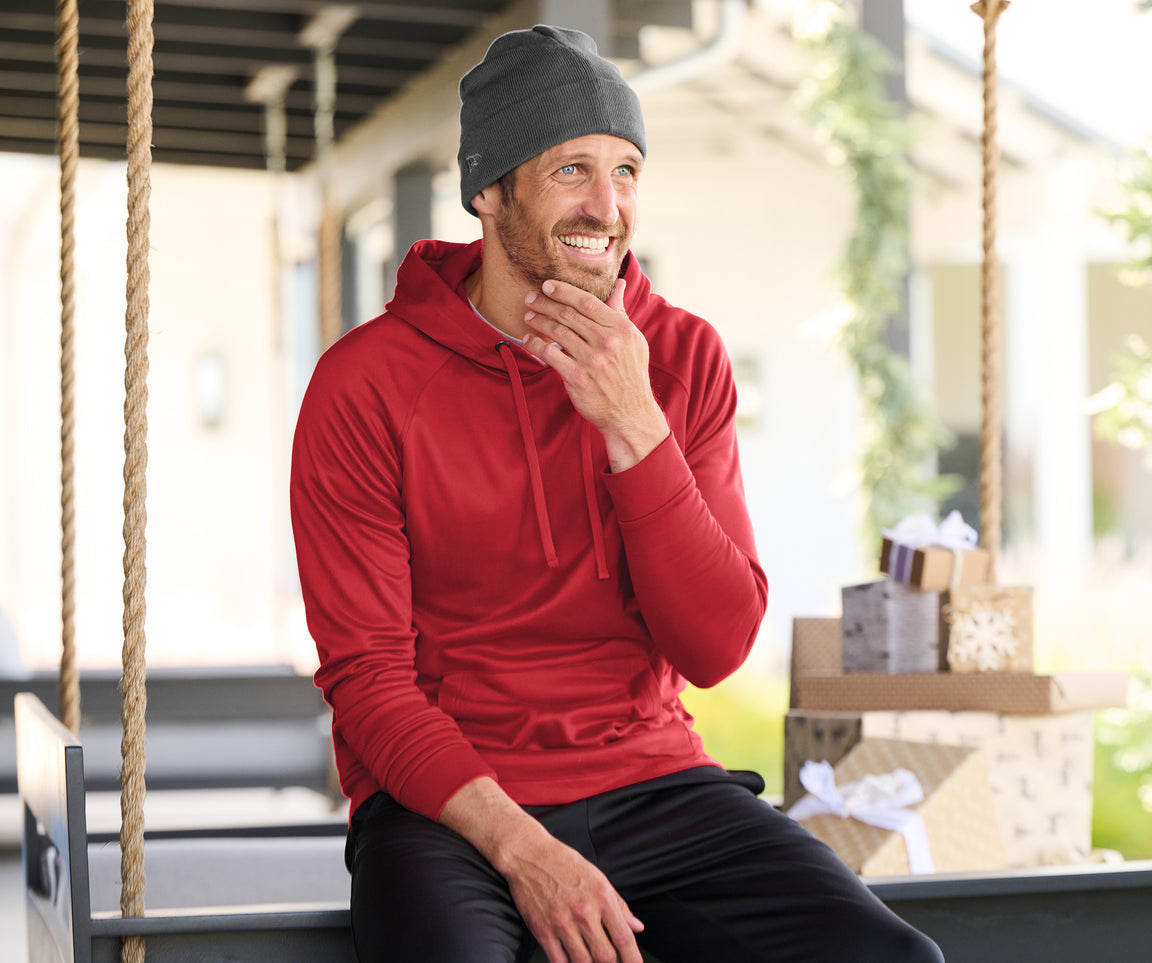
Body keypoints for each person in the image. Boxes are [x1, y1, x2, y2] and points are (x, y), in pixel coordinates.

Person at [291, 24, 944, 963]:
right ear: (487, 189)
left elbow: (716, 647)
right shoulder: (367, 384)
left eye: (626, 170)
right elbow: (369, 683)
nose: (607, 205)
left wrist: (636, 428)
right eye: (570, 171)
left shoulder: (679, 357)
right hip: (452, 808)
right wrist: (528, 852)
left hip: (657, 783)